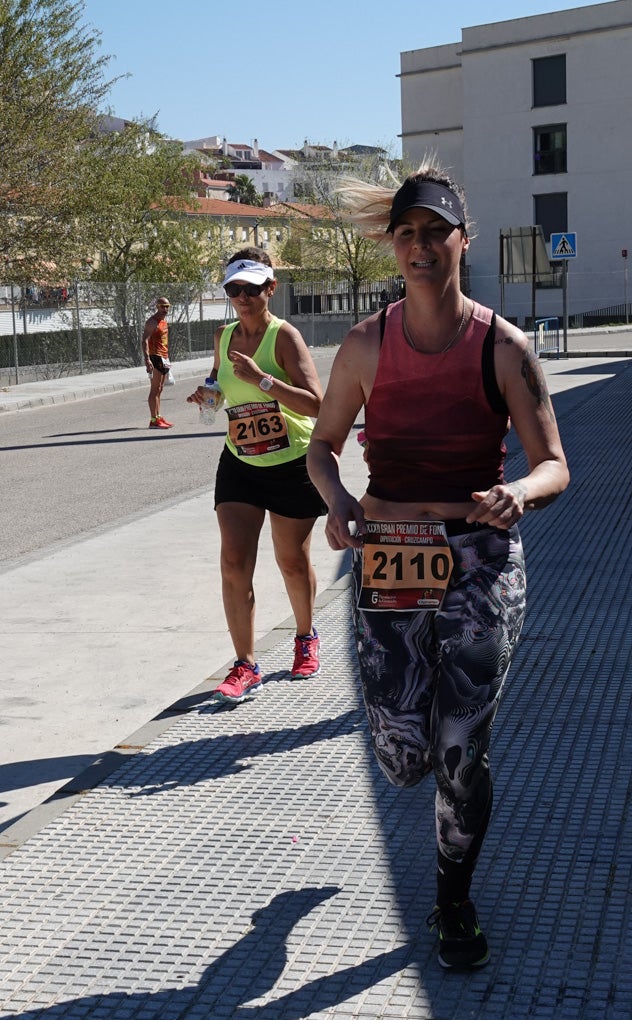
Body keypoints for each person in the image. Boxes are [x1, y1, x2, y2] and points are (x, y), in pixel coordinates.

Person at [307, 165, 570, 970]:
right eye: (407, 234)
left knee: (461, 747)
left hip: (481, 560)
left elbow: (554, 463)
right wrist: (337, 502)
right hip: (389, 556)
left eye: (435, 232)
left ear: (464, 239)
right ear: (393, 247)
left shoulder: (502, 346)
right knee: (401, 758)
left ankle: (452, 900)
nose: (421, 246)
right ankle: (414, 766)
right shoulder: (363, 345)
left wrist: (517, 494)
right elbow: (321, 446)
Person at [187, 247, 326, 702]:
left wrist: (263, 379)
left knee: (290, 559)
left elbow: (316, 405)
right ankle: (245, 665)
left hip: (291, 461)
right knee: (233, 562)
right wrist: (207, 396)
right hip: (241, 460)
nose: (243, 297)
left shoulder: (284, 337)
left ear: (271, 288)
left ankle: (305, 636)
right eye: (234, 289)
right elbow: (218, 382)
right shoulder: (223, 336)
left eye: (252, 288)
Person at [142, 297, 174, 428]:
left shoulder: (163, 322)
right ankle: (153, 419)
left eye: (167, 306)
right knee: (154, 389)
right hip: (155, 357)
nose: (165, 309)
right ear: (157, 306)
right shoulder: (152, 322)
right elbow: (144, 341)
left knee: (160, 389)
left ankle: (158, 416)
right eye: (162, 306)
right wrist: (147, 359)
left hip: (164, 357)